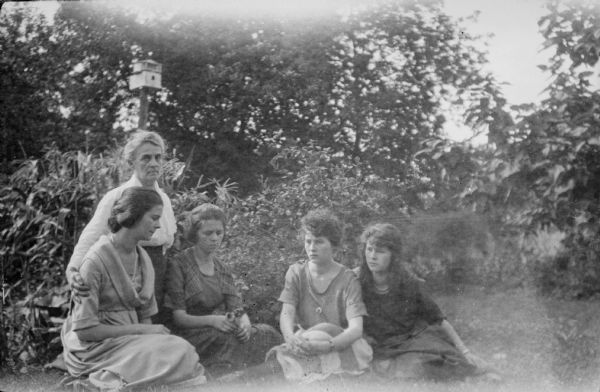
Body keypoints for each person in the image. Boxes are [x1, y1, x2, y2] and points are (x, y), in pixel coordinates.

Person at [61, 187, 206, 391]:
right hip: (96, 347)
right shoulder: (95, 261)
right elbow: (85, 331)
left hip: (131, 340)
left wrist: (150, 338)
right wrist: (143, 331)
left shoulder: (144, 258)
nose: (157, 225)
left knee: (181, 351)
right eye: (154, 218)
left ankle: (121, 377)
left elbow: (145, 316)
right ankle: (99, 380)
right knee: (179, 351)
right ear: (133, 215)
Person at [357, 222, 494, 381]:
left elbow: (438, 319)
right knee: (395, 369)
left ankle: (481, 373)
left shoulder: (409, 283)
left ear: (393, 255)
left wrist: (465, 350)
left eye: (380, 251)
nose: (372, 256)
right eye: (369, 249)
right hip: (375, 345)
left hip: (408, 344)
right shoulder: (355, 281)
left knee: (433, 363)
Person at [67, 130, 175, 324]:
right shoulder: (117, 197)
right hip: (123, 273)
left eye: (158, 157)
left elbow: (168, 243)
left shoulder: (164, 200)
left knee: (155, 328)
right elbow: (90, 238)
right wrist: (73, 271)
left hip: (157, 275)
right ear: (132, 162)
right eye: (146, 158)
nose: (153, 163)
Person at [163, 203, 283, 377]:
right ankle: (223, 378)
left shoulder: (221, 267)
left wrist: (245, 322)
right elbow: (179, 318)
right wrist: (213, 320)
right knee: (227, 338)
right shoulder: (179, 264)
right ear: (195, 233)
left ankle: (270, 373)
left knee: (267, 333)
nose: (214, 238)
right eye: (208, 233)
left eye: (219, 233)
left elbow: (236, 307)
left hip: (220, 326)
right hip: (189, 333)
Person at [268, 208, 372, 382]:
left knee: (314, 343)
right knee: (291, 354)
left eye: (319, 242)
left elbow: (355, 329)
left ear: (335, 246)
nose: (311, 248)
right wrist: (290, 337)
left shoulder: (347, 279)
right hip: (307, 339)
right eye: (308, 241)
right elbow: (287, 313)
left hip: (339, 341)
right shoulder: (296, 272)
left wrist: (329, 345)